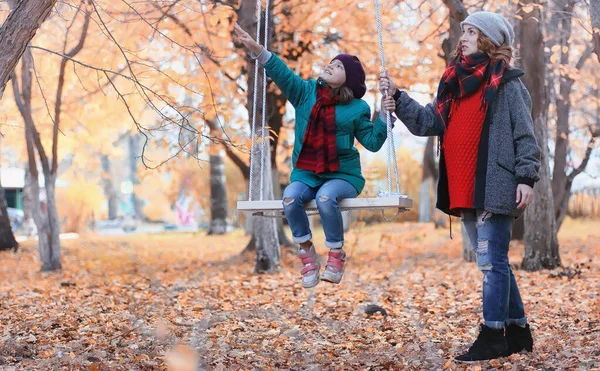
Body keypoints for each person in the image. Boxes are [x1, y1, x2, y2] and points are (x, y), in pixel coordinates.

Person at [379, 11, 541, 362]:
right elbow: (426, 122)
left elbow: (526, 137)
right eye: (463, 30)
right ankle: (518, 332)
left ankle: (492, 336)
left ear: (489, 40)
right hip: (465, 187)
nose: (463, 37)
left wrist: (527, 179)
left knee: (490, 263)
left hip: (495, 186)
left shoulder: (508, 84)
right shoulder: (453, 82)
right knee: (495, 262)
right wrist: (398, 95)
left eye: (471, 31)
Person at [234, 23, 391, 288]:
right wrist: (257, 49)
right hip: (306, 173)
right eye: (331, 63)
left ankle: (336, 255)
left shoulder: (357, 108)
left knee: (325, 197)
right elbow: (281, 72)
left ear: (349, 80)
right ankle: (307, 253)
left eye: (338, 66)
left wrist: (385, 115)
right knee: (290, 198)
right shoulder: (305, 93)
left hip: (343, 175)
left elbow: (373, 143)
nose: (331, 66)